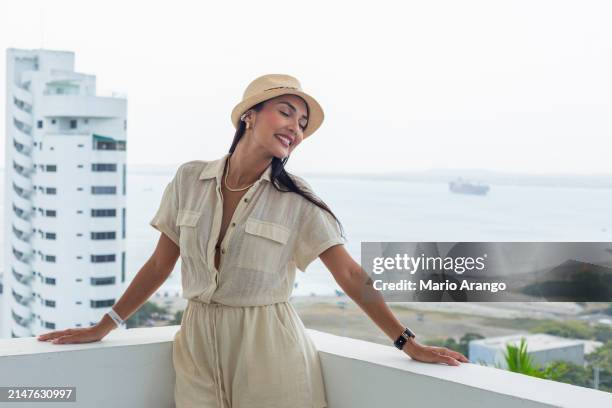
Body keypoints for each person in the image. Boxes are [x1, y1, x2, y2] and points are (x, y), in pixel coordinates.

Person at [38, 74, 469, 407]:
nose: (295, 129)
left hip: (270, 347)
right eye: (285, 113)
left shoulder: (299, 201)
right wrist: (104, 325)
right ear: (250, 115)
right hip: (196, 343)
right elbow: (159, 265)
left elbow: (352, 276)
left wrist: (408, 343)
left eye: (302, 124)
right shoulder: (190, 178)